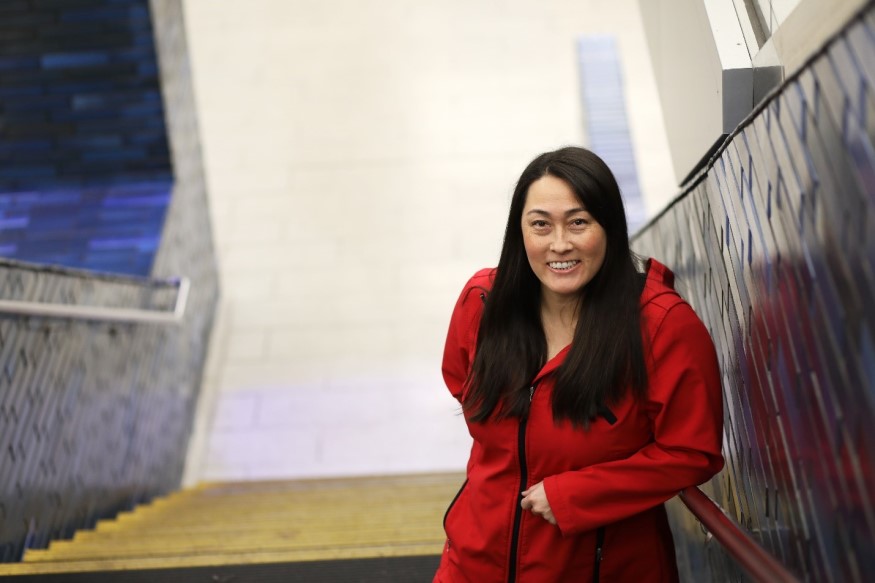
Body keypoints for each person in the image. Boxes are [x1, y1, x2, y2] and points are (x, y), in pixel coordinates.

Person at [433, 146, 724, 582]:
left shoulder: (662, 326)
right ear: (520, 232)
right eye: (540, 225)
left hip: (597, 568)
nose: (559, 244)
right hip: (474, 562)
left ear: (609, 227)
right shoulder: (483, 302)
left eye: (578, 222)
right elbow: (460, 379)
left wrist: (577, 494)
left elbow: (690, 451)